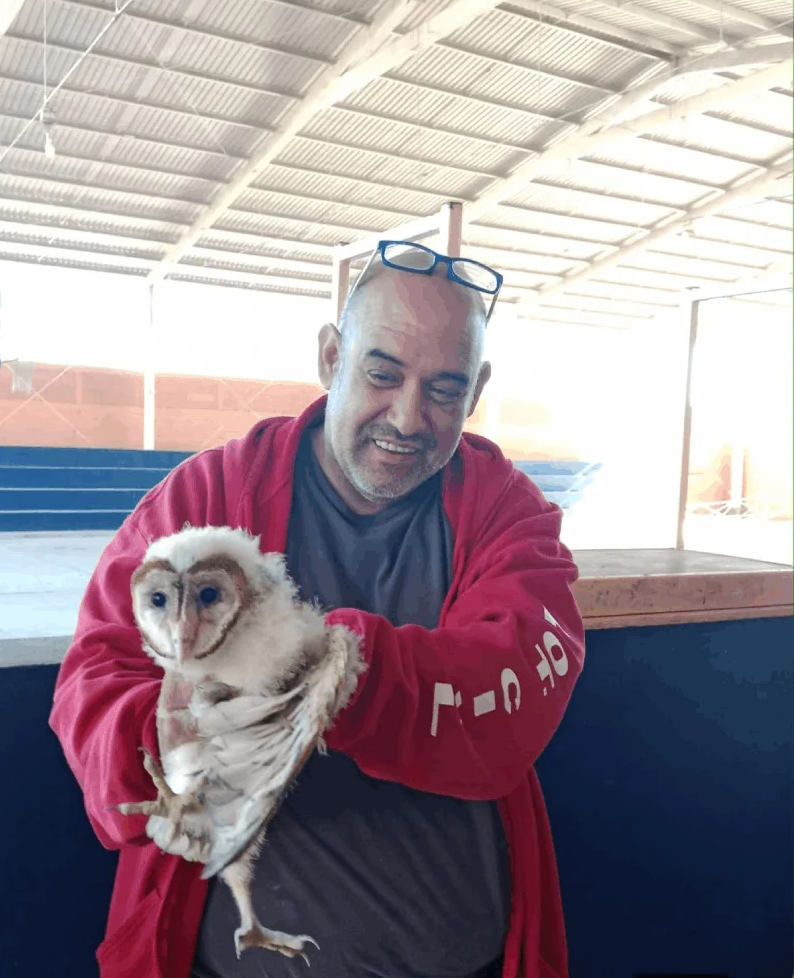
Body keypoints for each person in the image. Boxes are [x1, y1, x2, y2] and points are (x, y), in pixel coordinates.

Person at [49, 245, 585, 977]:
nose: (407, 415)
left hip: (463, 959)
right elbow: (93, 677)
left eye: (444, 389)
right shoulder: (205, 497)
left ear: (477, 390)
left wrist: (334, 673)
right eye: (382, 373)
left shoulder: (509, 515)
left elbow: (515, 693)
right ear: (332, 356)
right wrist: (166, 739)